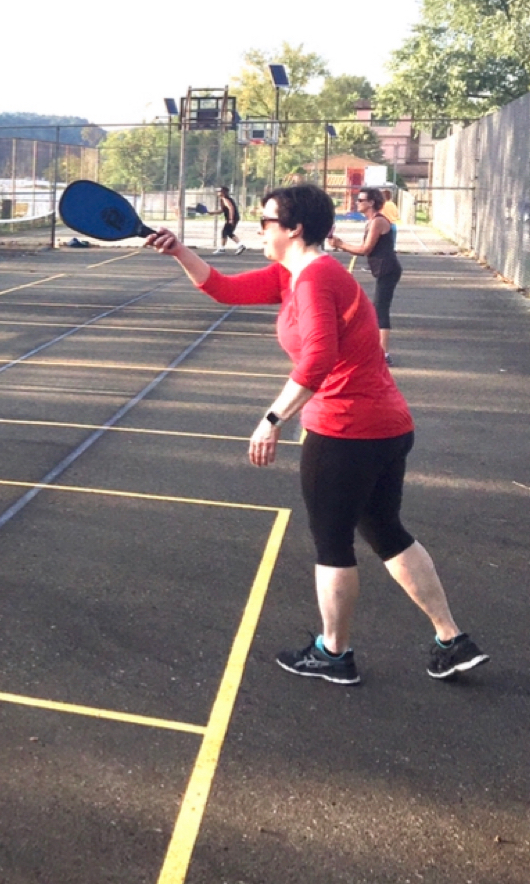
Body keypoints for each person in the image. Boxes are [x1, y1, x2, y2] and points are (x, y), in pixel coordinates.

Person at [144, 183, 488, 686]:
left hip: (346, 431)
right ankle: (452, 639)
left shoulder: (313, 279)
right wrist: (179, 251)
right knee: (386, 532)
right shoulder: (296, 275)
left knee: (332, 544)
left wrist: (272, 419)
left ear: (293, 228)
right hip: (387, 425)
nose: (257, 228)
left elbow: (319, 358)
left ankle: (334, 654)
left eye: (264, 221)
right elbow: (224, 288)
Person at [328, 186, 402, 363]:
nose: (357, 203)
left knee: (380, 309)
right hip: (383, 269)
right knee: (377, 308)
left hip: (388, 269)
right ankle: (378, 350)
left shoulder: (377, 221)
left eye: (361, 200)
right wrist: (340, 244)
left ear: (371, 202)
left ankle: (383, 354)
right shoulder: (371, 222)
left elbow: (365, 249)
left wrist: (341, 244)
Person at [213, 186, 246, 255]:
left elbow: (231, 208)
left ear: (224, 192)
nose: (218, 193)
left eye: (220, 191)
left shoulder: (225, 199)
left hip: (232, 218)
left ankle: (238, 245)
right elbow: (222, 210)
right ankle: (238, 245)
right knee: (227, 232)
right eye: (218, 191)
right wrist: (212, 212)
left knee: (226, 232)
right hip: (232, 218)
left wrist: (231, 219)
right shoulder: (223, 199)